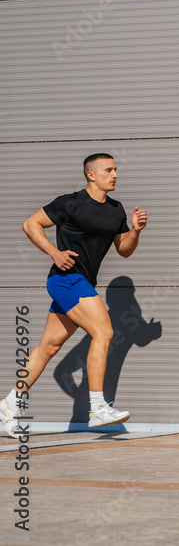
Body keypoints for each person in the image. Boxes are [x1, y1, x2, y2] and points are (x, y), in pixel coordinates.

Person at [0, 153, 147, 437]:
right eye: (108, 169)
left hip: (80, 282)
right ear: (91, 174)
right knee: (104, 332)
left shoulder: (116, 210)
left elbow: (124, 250)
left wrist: (136, 231)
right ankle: (97, 408)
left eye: (116, 169)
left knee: (48, 348)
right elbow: (30, 224)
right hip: (67, 280)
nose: (115, 174)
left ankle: (10, 403)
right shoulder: (70, 202)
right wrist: (54, 253)